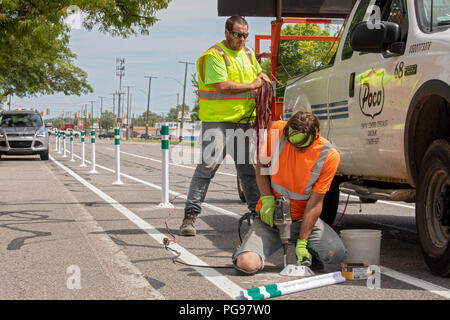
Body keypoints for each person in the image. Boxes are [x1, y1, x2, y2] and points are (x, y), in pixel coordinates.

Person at [180, 16, 270, 236]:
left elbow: (258, 73)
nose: (242, 39)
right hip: (217, 122)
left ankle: (257, 216)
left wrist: (262, 77)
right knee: (207, 167)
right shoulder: (215, 56)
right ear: (227, 32)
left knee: (248, 170)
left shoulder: (248, 53)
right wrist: (252, 85)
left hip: (244, 121)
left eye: (245, 35)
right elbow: (222, 86)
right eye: (238, 34)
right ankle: (190, 217)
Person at [233, 111, 347, 274]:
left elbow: (315, 203)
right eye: (292, 143)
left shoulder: (328, 156)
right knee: (246, 265)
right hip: (271, 219)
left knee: (335, 254)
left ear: (315, 136)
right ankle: (244, 250)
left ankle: (308, 250)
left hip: (301, 220)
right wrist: (267, 199)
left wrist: (303, 240)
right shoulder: (277, 130)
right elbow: (262, 167)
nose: (296, 149)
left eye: (301, 146)